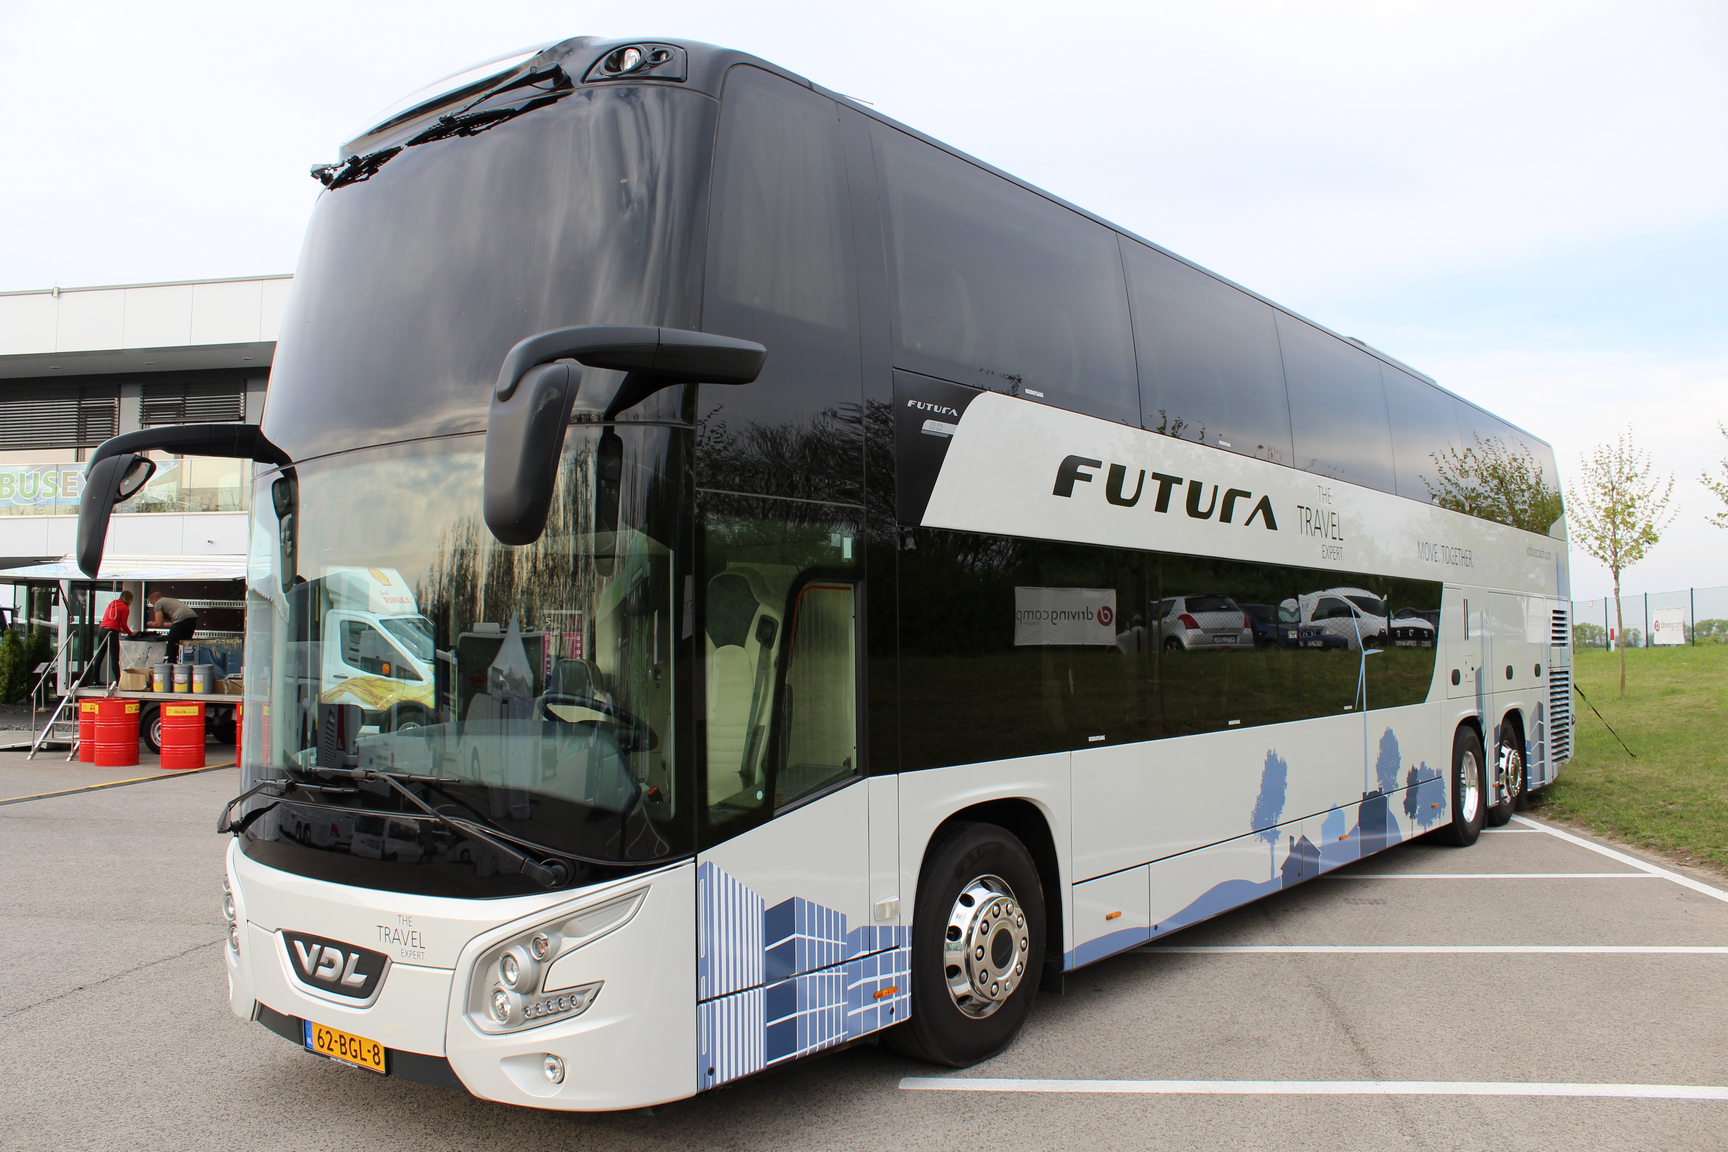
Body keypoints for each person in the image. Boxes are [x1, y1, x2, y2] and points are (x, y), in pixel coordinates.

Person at [147, 590, 200, 665]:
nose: (153, 605)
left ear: (155, 599)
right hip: (191, 621)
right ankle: (186, 665)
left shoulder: (158, 603)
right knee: (184, 645)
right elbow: (174, 625)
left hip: (181, 621)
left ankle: (171, 665)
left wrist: (151, 624)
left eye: (152, 603)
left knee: (172, 646)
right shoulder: (170, 601)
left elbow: (158, 624)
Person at [97, 590, 136, 684]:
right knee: (114, 657)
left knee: (99, 656)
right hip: (111, 632)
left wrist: (118, 628)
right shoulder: (124, 608)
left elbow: (109, 620)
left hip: (102, 630)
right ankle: (118, 681)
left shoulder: (111, 605)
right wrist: (130, 633)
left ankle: (95, 680)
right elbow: (124, 625)